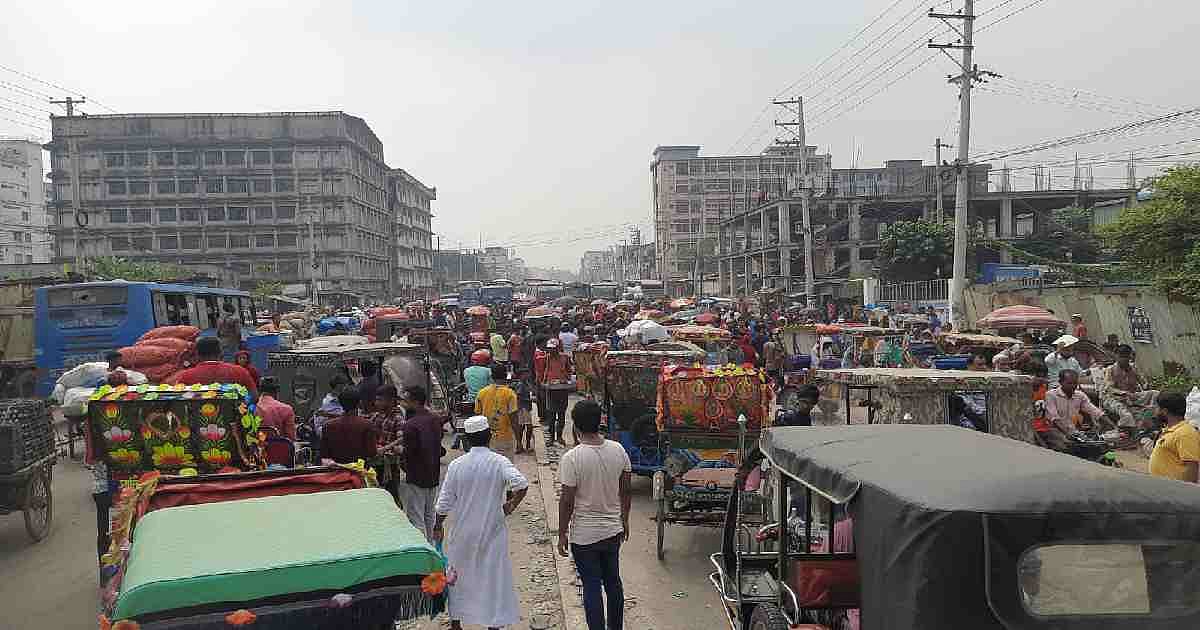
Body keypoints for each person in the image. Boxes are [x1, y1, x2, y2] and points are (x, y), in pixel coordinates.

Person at [433, 416, 529, 630]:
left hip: (463, 533)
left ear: (466, 440)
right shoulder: (499, 461)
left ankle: (456, 623)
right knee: (492, 578)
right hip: (492, 533)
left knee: (459, 578)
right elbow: (521, 484)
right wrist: (510, 506)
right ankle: (492, 624)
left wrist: (438, 525)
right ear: (489, 437)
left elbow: (445, 501)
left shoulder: (457, 465)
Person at [558, 400, 632, 630]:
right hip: (612, 531)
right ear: (600, 421)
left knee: (591, 586)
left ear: (576, 427)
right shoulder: (618, 450)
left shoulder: (572, 458)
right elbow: (626, 489)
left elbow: (567, 500)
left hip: (584, 536)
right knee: (613, 582)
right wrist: (625, 519)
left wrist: (562, 533)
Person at [399, 385, 443, 540]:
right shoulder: (434, 419)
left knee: (416, 517)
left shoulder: (410, 425)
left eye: (406, 399)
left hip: (416, 475)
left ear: (415, 401)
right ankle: (430, 546)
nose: (403, 402)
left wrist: (401, 456)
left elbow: (409, 453)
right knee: (429, 514)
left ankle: (423, 550)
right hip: (433, 473)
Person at [169, 337, 258, 396]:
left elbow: (180, 397)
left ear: (197, 355)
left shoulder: (186, 376)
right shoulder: (240, 371)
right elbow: (254, 396)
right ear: (221, 353)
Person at [1042, 369, 1105, 450]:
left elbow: (1095, 411)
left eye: (1075, 383)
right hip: (1053, 432)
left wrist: (1114, 427)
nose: (1073, 386)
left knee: (1098, 446)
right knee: (1068, 448)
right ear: (1060, 382)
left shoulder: (1080, 395)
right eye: (1069, 383)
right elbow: (1054, 419)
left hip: (1074, 432)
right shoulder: (1051, 395)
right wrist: (1068, 433)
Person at [1100, 344, 1159, 430]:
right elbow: (1109, 389)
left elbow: (1143, 382)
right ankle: (1127, 430)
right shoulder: (1110, 370)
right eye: (1122, 357)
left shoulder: (1133, 367)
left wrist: (1146, 385)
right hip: (1115, 399)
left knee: (1155, 394)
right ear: (1117, 356)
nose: (1124, 359)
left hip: (1132, 396)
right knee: (1126, 415)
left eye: (1126, 357)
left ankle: (1154, 415)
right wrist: (1124, 393)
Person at [1148, 392, 1200, 483]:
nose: (1155, 411)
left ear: (1164, 411)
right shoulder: (1170, 430)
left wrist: (1185, 493)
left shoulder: (1185, 433)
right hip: (1161, 489)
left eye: (1157, 408)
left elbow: (1192, 467)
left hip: (1173, 492)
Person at [319, 388, 378, 464]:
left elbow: (324, 455)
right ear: (359, 403)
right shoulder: (367, 424)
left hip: (336, 471)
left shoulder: (328, 425)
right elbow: (372, 453)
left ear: (340, 403)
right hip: (359, 471)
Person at [370, 385, 406, 501]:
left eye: (380, 400)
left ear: (391, 400)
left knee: (392, 495)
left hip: (389, 465)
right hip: (375, 462)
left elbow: (402, 438)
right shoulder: (377, 416)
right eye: (376, 400)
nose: (377, 403)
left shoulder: (398, 417)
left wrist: (384, 449)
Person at [475, 364, 519, 458]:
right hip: (505, 438)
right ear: (505, 375)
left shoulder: (481, 393)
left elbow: (478, 416)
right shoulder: (510, 394)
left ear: (491, 377)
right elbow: (514, 419)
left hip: (486, 439)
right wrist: (518, 440)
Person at [539, 338, 572, 445]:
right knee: (551, 416)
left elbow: (570, 372)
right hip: (551, 389)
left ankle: (560, 436)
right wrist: (544, 382)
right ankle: (551, 438)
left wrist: (565, 377)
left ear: (557, 348)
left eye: (552, 349)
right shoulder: (548, 358)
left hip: (562, 389)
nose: (551, 351)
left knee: (561, 415)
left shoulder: (565, 357)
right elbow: (546, 370)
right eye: (549, 349)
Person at [513, 366, 535, 454]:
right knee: (527, 427)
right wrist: (530, 399)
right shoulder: (521, 384)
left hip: (525, 407)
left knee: (524, 427)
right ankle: (524, 445)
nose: (527, 375)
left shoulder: (526, 383)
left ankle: (522, 445)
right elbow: (518, 396)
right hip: (523, 408)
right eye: (525, 373)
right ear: (521, 375)